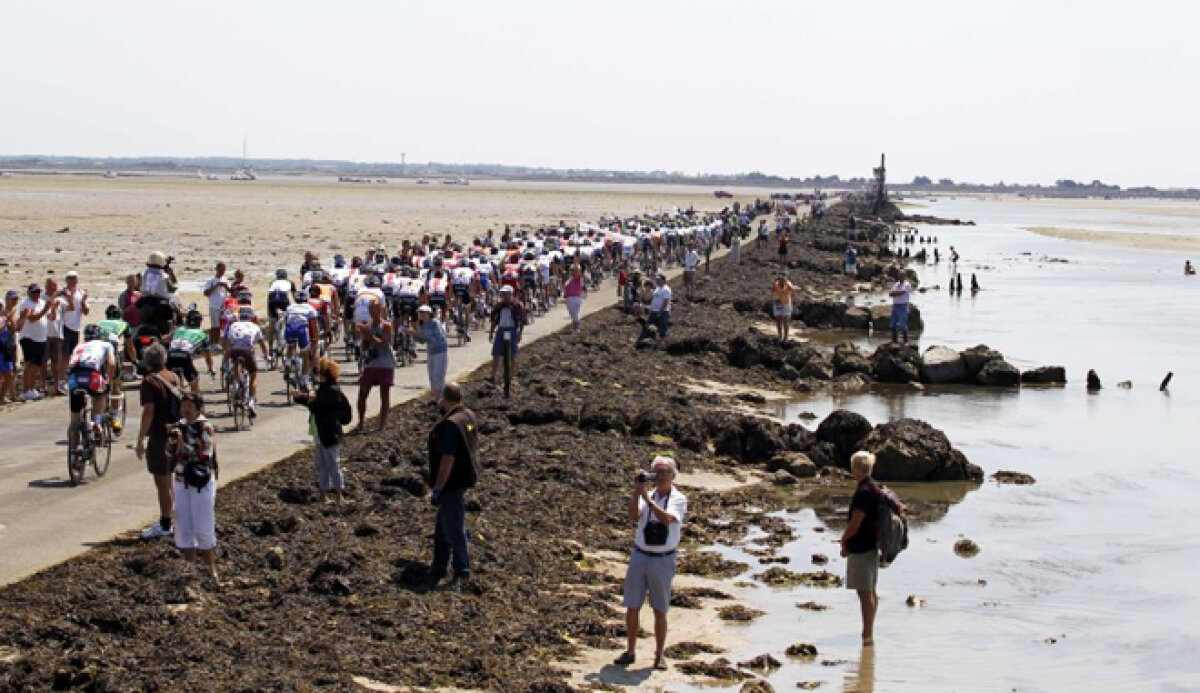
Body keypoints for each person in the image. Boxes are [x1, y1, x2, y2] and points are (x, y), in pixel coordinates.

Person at [615, 455, 688, 671]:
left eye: (665, 472)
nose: (661, 476)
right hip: (640, 554)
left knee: (659, 609)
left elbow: (668, 518)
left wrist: (647, 499)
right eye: (658, 473)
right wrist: (637, 492)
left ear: (673, 475)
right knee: (632, 605)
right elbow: (633, 517)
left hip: (663, 559)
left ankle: (659, 654)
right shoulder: (648, 494)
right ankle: (630, 651)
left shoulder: (678, 498)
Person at [416, 383, 478, 592]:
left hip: (452, 483)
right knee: (443, 527)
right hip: (463, 478)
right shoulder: (468, 416)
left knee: (454, 526)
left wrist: (438, 487)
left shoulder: (450, 425)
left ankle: (463, 569)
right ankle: (440, 566)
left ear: (446, 399)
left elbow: (448, 459)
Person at [168, 392, 220, 584]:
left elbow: (204, 455)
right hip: (181, 481)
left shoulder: (204, 427)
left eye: (190, 406)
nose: (186, 410)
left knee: (204, 525)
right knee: (183, 526)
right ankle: (189, 570)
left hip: (201, 482)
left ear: (199, 408)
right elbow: (169, 453)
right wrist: (173, 442)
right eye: (184, 406)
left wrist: (182, 446)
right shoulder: (178, 427)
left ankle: (210, 569)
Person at [135, 343, 183, 540]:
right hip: (176, 432)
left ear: (147, 362)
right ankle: (175, 519)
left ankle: (165, 524)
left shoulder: (149, 382)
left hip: (160, 435)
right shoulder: (174, 377)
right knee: (172, 480)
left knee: (162, 482)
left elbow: (149, 411)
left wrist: (140, 438)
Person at [292, 357, 352, 503]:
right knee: (324, 465)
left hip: (328, 433)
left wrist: (303, 398)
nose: (317, 375)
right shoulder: (327, 389)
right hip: (322, 432)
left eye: (319, 372)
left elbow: (317, 406)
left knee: (332, 464)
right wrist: (302, 397)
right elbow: (315, 402)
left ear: (326, 374)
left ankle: (338, 495)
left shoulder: (331, 391)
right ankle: (325, 495)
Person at [840, 451, 881, 646]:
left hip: (861, 546)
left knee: (865, 593)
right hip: (872, 545)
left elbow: (856, 522)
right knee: (870, 591)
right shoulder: (874, 487)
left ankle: (867, 636)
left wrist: (843, 540)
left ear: (855, 468)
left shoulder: (863, 492)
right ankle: (869, 634)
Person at [221, 306, 268, 418]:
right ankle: (251, 402)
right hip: (247, 351)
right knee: (253, 376)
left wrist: (225, 361)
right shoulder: (255, 326)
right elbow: (262, 344)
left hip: (234, 351)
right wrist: (267, 356)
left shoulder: (233, 325)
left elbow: (227, 343)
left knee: (236, 360)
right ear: (251, 317)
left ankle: (236, 384)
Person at [357, 300, 395, 432]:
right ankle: (361, 423)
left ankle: (382, 425)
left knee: (384, 395)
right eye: (372, 309)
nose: (375, 312)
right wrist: (363, 336)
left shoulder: (386, 326)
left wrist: (368, 334)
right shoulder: (368, 326)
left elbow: (383, 344)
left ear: (381, 310)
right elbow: (364, 347)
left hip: (385, 363)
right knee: (362, 392)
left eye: (377, 309)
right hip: (371, 363)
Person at [17, 283, 52, 401]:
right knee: (29, 363)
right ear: (29, 293)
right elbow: (31, 319)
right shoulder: (25, 304)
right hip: (28, 337)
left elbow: (50, 317)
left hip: (41, 338)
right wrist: (45, 310)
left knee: (37, 364)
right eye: (34, 292)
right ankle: (25, 390)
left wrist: (52, 309)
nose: (36, 294)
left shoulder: (41, 303)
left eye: (38, 292)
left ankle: (31, 388)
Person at [487, 285, 527, 386]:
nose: (504, 296)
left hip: (510, 331)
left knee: (511, 354)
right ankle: (493, 376)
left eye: (506, 294)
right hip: (501, 330)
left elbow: (522, 320)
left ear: (511, 294)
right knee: (496, 353)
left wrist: (519, 333)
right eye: (503, 294)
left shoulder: (516, 305)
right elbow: (495, 320)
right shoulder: (499, 306)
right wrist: (491, 332)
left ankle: (510, 376)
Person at [167, 309, 214, 394]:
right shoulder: (202, 334)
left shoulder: (178, 330)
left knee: (173, 382)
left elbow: (166, 339)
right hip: (185, 357)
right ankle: (195, 400)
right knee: (194, 381)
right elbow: (208, 355)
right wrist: (210, 368)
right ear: (200, 322)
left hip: (169, 356)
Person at [410, 305, 448, 405]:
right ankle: (435, 397)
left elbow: (438, 337)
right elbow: (422, 340)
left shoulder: (435, 323)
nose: (422, 315)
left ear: (429, 314)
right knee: (431, 375)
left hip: (440, 351)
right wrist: (413, 334)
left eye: (424, 313)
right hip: (431, 352)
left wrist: (418, 334)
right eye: (420, 313)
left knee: (438, 375)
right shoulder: (422, 325)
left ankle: (440, 397)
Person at [61, 271, 89, 366]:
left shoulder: (81, 293)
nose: (72, 281)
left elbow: (86, 312)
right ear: (66, 280)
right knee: (64, 353)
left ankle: (68, 373)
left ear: (77, 280)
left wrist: (83, 301)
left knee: (73, 353)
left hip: (76, 327)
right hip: (64, 326)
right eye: (70, 278)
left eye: (74, 278)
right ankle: (62, 377)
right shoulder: (63, 293)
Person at [203, 262, 231, 350]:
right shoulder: (210, 280)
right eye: (221, 269)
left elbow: (230, 291)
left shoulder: (225, 280)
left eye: (224, 269)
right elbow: (206, 293)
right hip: (214, 305)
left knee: (220, 325)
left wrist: (226, 286)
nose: (222, 271)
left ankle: (217, 342)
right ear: (217, 269)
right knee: (214, 325)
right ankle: (212, 343)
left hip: (223, 305)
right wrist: (217, 285)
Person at [0, 290, 19, 404]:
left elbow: (13, 331)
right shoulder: (4, 319)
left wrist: (10, 319)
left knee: (9, 374)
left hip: (5, 348)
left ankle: (2, 396)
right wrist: (6, 319)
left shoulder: (5, 317)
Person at [648, 273, 672, 343]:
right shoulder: (657, 288)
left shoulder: (666, 289)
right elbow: (654, 299)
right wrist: (651, 308)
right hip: (654, 311)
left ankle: (662, 341)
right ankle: (653, 340)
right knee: (650, 325)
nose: (658, 281)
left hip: (663, 312)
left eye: (659, 280)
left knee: (662, 327)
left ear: (664, 280)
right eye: (657, 280)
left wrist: (660, 312)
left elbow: (666, 302)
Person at [562, 264, 587, 333]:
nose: (573, 272)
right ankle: (574, 328)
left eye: (574, 271)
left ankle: (576, 329)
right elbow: (566, 288)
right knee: (573, 314)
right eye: (572, 271)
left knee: (575, 314)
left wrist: (576, 268)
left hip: (575, 298)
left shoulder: (578, 279)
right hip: (569, 298)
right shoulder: (570, 279)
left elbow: (578, 275)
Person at [772, 273, 797, 341]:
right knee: (778, 320)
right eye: (781, 279)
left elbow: (793, 289)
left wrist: (788, 286)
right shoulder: (776, 284)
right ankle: (780, 336)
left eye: (784, 279)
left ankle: (786, 337)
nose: (783, 281)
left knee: (786, 320)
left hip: (786, 303)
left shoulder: (788, 283)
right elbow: (773, 291)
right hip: (778, 303)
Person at [888, 275, 913, 344]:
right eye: (899, 275)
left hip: (903, 306)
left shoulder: (907, 284)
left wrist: (895, 293)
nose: (900, 277)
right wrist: (895, 293)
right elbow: (890, 293)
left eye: (902, 276)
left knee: (902, 325)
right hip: (895, 305)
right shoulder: (896, 284)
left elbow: (902, 292)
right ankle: (894, 341)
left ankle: (905, 341)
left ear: (905, 276)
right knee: (893, 324)